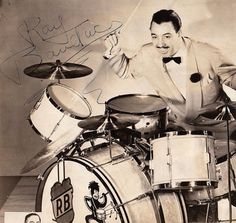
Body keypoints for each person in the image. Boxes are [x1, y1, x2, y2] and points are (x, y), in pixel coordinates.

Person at [104, 9, 236, 130]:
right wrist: (115, 51)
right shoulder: (147, 54)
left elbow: (233, 77)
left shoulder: (207, 52)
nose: (160, 44)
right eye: (154, 36)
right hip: (180, 129)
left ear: (179, 33)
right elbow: (126, 70)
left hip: (219, 127)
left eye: (167, 36)